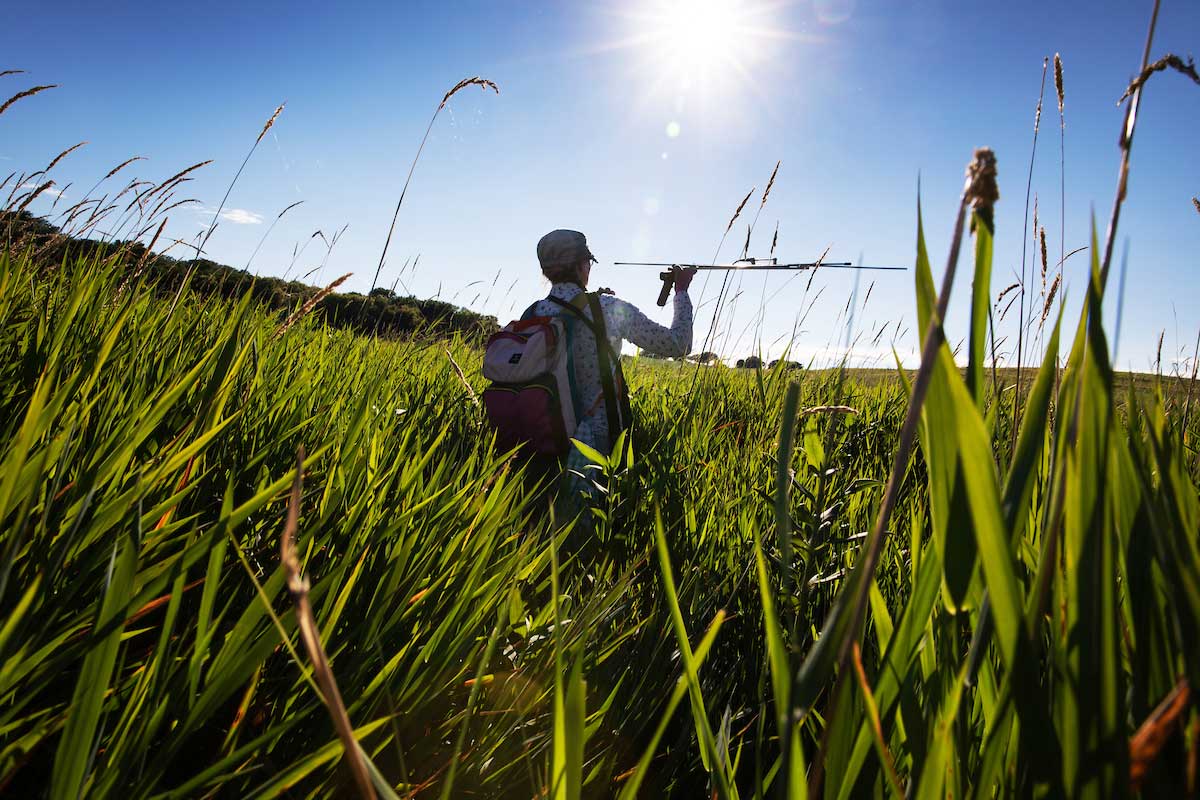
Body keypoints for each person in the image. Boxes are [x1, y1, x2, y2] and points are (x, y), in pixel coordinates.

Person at [526, 229, 695, 527]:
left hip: (540, 440)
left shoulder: (534, 312)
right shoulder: (608, 309)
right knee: (586, 540)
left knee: (542, 532)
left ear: (546, 271)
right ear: (582, 266)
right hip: (595, 445)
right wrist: (681, 291)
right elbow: (677, 345)